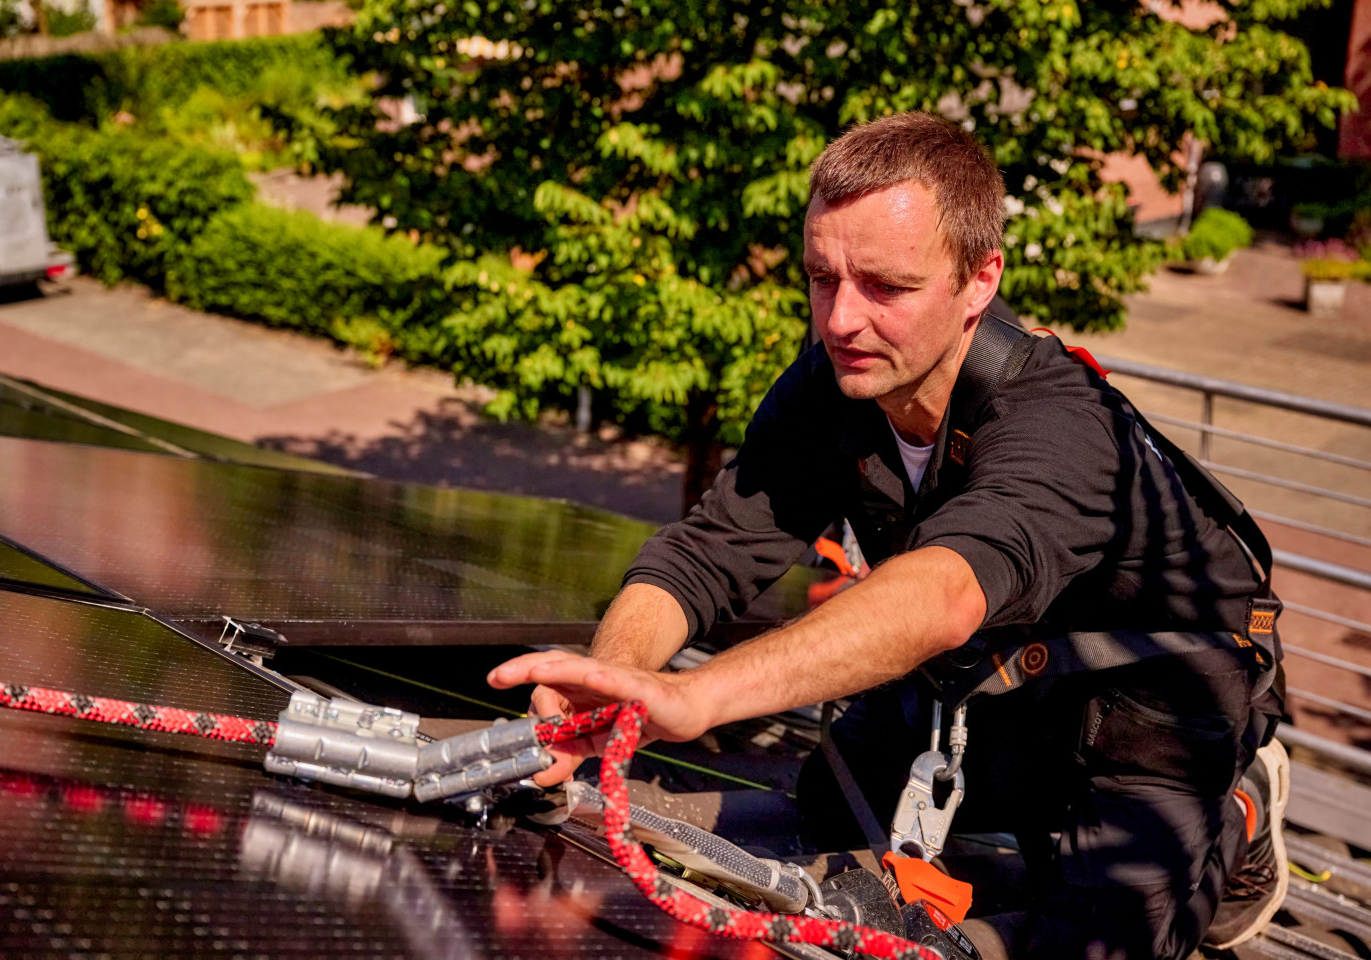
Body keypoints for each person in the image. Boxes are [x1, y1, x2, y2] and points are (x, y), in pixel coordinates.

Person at [488, 112, 1289, 960]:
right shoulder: (837, 381)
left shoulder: (1059, 423)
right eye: (820, 277)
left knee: (1093, 946)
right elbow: (706, 551)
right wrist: (614, 679)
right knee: (830, 813)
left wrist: (699, 696)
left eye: (885, 287)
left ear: (980, 280)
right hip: (999, 670)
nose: (840, 320)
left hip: (1159, 690)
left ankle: (1241, 814)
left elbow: (945, 592)